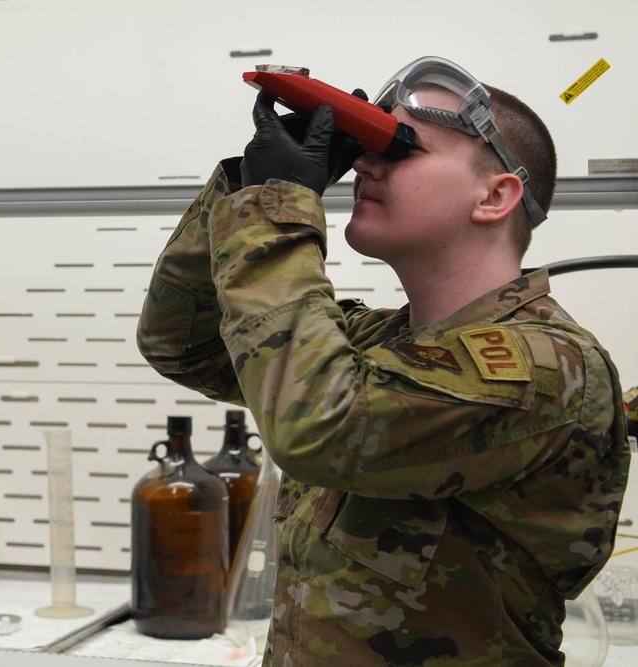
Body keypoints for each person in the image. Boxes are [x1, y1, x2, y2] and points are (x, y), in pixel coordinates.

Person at [136, 56, 630, 666]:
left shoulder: (546, 366)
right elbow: (183, 343)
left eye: (400, 148)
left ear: (495, 196)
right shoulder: (376, 343)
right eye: (366, 147)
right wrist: (245, 189)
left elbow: (320, 426)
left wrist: (277, 207)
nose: (364, 165)